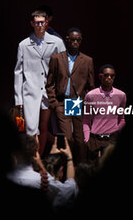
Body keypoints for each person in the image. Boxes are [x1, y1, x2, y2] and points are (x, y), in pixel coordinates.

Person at [14, 9, 66, 157]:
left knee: (45, 126)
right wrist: (18, 99)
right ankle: (32, 161)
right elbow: (18, 72)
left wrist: (61, 90)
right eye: (37, 22)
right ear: (32, 23)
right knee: (30, 129)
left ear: (47, 23)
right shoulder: (23, 45)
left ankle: (39, 160)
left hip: (49, 91)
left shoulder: (57, 42)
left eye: (42, 22)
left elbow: (64, 67)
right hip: (30, 90)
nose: (39, 25)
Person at [46, 27, 95, 165]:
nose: (75, 42)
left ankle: (79, 169)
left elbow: (91, 87)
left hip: (77, 103)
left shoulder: (87, 60)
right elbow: (49, 83)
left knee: (80, 141)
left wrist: (87, 104)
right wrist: (54, 103)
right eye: (72, 39)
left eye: (78, 40)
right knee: (68, 138)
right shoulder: (57, 58)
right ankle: (66, 167)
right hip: (62, 102)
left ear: (81, 41)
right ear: (67, 39)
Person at [83, 64, 126, 161]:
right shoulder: (90, 95)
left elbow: (121, 119)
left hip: (112, 139)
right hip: (95, 140)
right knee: (94, 170)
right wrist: (87, 140)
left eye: (112, 76)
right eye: (106, 75)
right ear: (100, 76)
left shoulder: (121, 95)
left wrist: (118, 135)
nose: (109, 78)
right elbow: (86, 121)